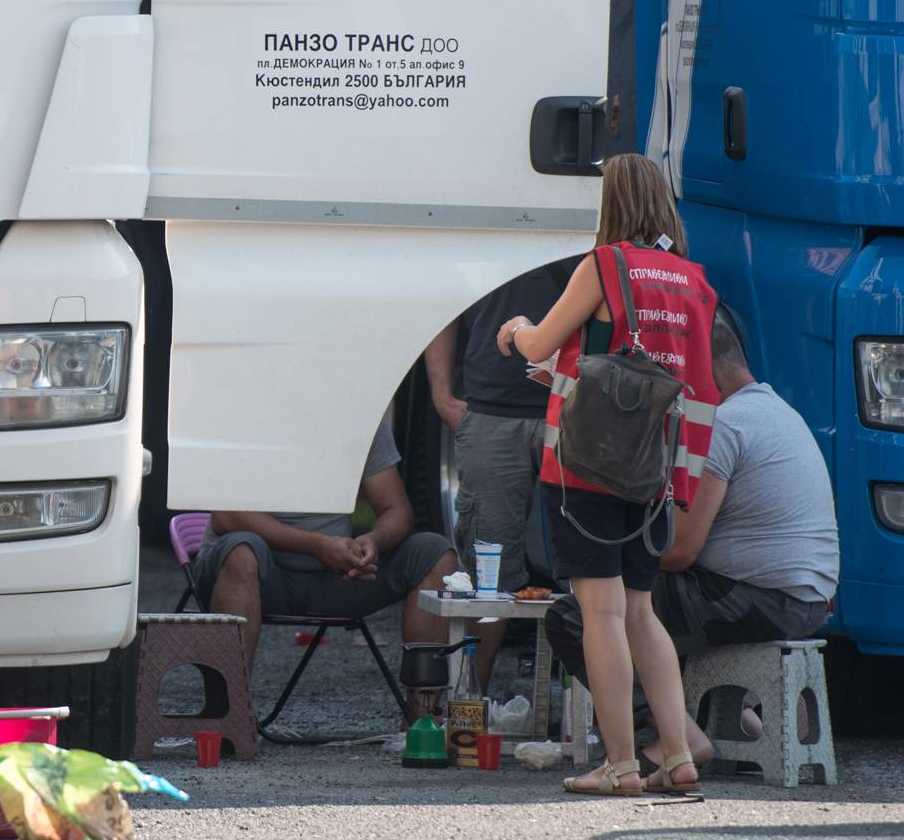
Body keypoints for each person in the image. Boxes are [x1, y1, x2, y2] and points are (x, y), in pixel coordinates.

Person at [494, 153, 719, 797]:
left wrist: (516, 329)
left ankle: (620, 764)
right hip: (655, 468)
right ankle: (676, 756)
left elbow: (541, 347)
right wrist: (681, 481)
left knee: (600, 612)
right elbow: (696, 386)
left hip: (587, 463)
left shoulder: (605, 266)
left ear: (610, 203)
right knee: (642, 614)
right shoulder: (693, 281)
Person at [543, 311, 838, 778]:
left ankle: (673, 736)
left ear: (704, 367)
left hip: (755, 598)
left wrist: (609, 563)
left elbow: (681, 550)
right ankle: (718, 723)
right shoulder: (779, 410)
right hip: (807, 598)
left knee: (578, 616)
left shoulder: (725, 424)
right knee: (647, 611)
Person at [184, 416, 459, 696]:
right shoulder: (251, 412)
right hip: (253, 576)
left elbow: (397, 511)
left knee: (434, 553)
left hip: (334, 578)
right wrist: (316, 545)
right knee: (242, 552)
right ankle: (229, 722)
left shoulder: (358, 415)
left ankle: (422, 724)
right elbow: (225, 515)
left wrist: (373, 540)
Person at [423, 252, 583, 687]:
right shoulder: (489, 217)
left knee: (592, 571)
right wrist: (440, 395)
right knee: (486, 579)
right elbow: (444, 307)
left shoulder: (600, 201)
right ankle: (470, 710)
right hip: (493, 409)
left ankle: (592, 717)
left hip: (575, 407)